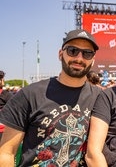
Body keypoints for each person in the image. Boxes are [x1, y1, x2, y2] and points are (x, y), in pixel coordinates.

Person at [0, 29, 101, 166]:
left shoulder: (99, 97)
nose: (79, 58)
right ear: (61, 54)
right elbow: (6, 152)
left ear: (93, 60)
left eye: (87, 53)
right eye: (72, 51)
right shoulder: (30, 94)